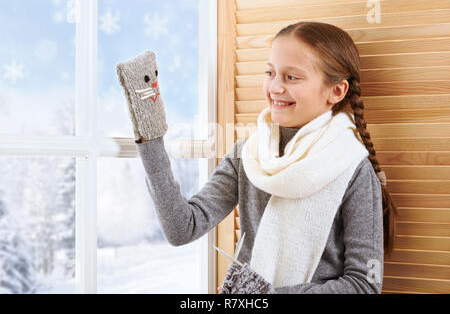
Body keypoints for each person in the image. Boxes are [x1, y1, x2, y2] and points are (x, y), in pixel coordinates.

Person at [116, 21, 398, 294]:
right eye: (270, 73)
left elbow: (364, 285)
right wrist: (150, 133)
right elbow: (182, 228)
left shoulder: (353, 169)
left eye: (292, 77)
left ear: (336, 91)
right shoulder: (248, 155)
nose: (275, 87)